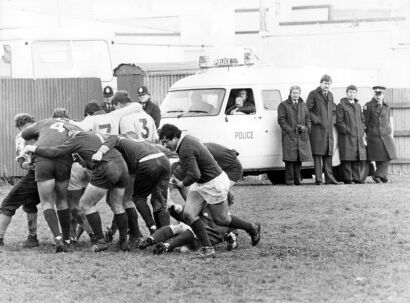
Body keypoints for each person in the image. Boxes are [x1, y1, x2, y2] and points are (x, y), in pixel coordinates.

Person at [159, 124, 261, 257]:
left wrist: (181, 183)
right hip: (203, 184)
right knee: (189, 214)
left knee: (221, 219)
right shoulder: (185, 141)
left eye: (166, 142)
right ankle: (208, 248)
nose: (166, 146)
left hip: (214, 183)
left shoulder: (185, 147)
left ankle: (252, 227)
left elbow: (195, 175)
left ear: (175, 137)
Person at [24, 129, 131, 252]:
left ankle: (100, 241)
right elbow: (115, 137)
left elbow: (55, 152)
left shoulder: (76, 139)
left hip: (107, 167)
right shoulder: (95, 134)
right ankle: (124, 243)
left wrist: (34, 149)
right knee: (117, 205)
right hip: (122, 166)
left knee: (85, 204)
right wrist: (102, 150)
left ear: (71, 133)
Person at [21, 116, 79, 252]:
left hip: (43, 159)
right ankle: (66, 239)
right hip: (63, 160)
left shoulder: (44, 122)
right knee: (62, 201)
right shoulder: (72, 125)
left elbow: (24, 134)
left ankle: (57, 238)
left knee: (47, 202)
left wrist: (40, 133)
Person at [94, 133, 171, 235]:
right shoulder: (133, 143)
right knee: (160, 201)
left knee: (138, 198)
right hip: (164, 160)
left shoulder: (115, 140)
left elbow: (114, 138)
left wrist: (100, 151)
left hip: (147, 162)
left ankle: (152, 229)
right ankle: (166, 235)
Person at [0, 114, 40, 250]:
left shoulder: (21, 135)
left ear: (19, 126)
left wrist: (25, 165)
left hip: (35, 172)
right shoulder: (43, 128)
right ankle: (32, 237)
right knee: (30, 203)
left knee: (7, 204)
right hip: (57, 171)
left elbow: (21, 157)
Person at [306, 75, 342, 185]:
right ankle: (318, 179)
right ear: (321, 83)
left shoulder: (330, 95)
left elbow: (333, 110)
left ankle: (329, 178)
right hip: (317, 130)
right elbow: (307, 109)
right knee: (317, 154)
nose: (327, 85)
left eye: (328, 83)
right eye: (325, 83)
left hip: (328, 130)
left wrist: (333, 120)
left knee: (328, 154)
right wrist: (316, 120)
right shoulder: (313, 94)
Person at [277, 86, 312, 185]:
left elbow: (308, 118)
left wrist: (306, 128)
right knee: (289, 159)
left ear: (300, 94)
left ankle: (297, 180)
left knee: (298, 159)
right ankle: (289, 181)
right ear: (290, 93)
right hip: (289, 135)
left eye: (297, 93)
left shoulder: (303, 105)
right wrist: (290, 131)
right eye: (294, 93)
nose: (296, 95)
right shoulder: (283, 105)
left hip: (301, 135)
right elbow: (281, 120)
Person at [363, 86, 397, 183]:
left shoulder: (386, 106)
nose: (378, 97)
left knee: (390, 155)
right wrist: (367, 134)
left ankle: (378, 174)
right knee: (379, 157)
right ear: (374, 94)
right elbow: (365, 122)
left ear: (383, 95)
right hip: (374, 136)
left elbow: (387, 120)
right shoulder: (368, 106)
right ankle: (381, 176)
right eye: (376, 94)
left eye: (380, 94)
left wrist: (390, 130)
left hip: (386, 135)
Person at [335, 85, 367, 184]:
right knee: (347, 158)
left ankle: (358, 178)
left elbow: (362, 119)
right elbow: (339, 121)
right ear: (346, 93)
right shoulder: (341, 105)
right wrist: (346, 130)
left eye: (353, 92)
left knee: (357, 158)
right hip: (347, 137)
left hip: (358, 136)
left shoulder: (358, 105)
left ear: (356, 93)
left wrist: (361, 130)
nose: (352, 94)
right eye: (350, 92)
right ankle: (348, 179)